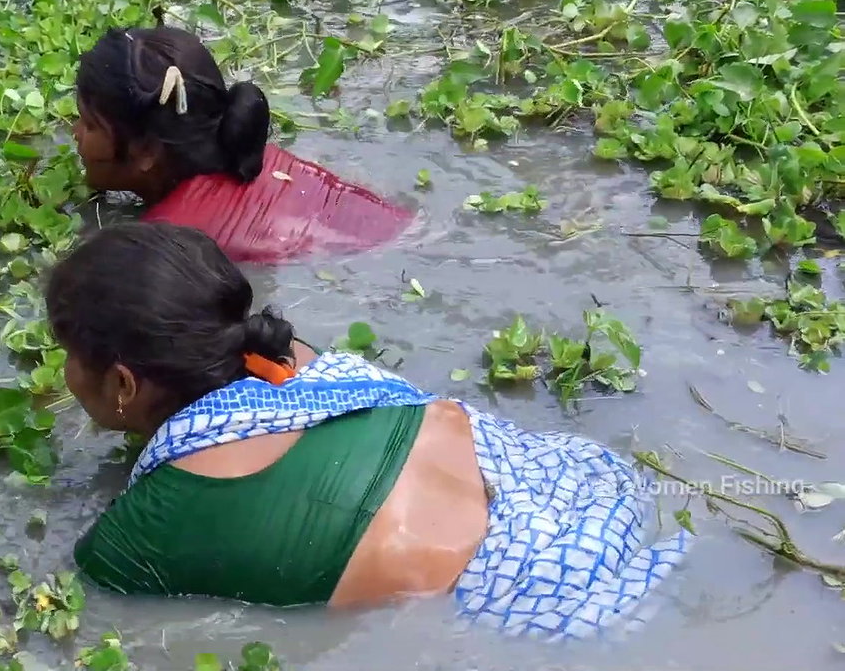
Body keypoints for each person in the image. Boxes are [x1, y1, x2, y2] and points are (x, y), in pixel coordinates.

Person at [44, 222, 692, 642]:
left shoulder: (134, 536)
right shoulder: (282, 352)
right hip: (592, 491)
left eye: (68, 351)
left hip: (551, 620)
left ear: (124, 385)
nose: (66, 371)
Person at [73, 23, 413, 264]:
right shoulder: (259, 157)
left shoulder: (171, 242)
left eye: (89, 125)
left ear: (147, 151)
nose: (75, 133)